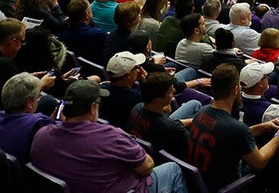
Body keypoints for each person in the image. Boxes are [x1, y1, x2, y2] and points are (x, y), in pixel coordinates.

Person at [31, 80, 187, 193]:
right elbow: (147, 167)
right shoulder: (111, 136)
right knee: (173, 169)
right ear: (93, 108)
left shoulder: (41, 135)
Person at [188, 65, 279, 191]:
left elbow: (230, 135)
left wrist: (263, 127)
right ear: (235, 90)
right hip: (231, 186)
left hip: (202, 181)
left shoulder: (201, 112)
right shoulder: (237, 128)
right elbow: (260, 162)